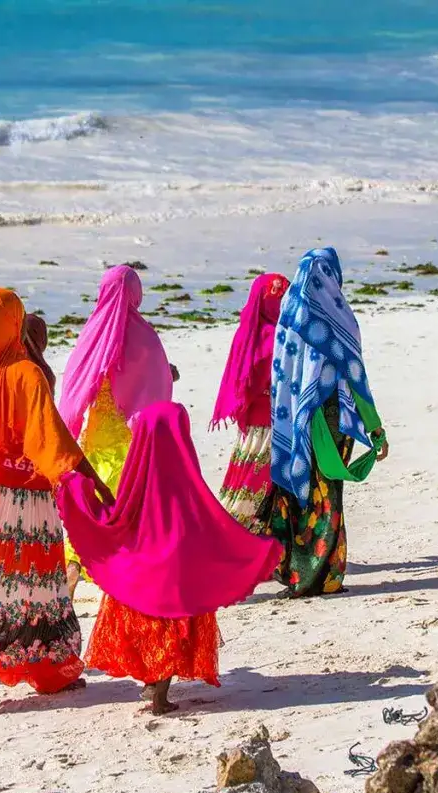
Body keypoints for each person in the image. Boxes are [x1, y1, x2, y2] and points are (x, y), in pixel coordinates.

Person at [0, 288, 114, 718]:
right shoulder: (25, 373)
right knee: (20, 585)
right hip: (25, 502)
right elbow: (50, 437)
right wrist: (91, 478)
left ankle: (51, 672)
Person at [58, 402, 280, 714]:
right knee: (173, 637)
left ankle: (151, 686)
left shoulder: (136, 479)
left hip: (142, 576)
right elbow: (214, 521)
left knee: (149, 634)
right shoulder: (187, 482)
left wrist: (77, 487)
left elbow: (118, 516)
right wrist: (253, 549)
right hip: (176, 576)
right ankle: (159, 696)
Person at [269, 248, 389, 598]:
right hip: (331, 418)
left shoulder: (289, 313)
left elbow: (279, 375)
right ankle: (325, 576)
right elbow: (356, 378)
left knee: (300, 496)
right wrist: (374, 427)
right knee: (328, 495)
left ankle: (298, 575)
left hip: (293, 419)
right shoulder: (340, 318)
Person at [58, 264, 176, 599]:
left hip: (97, 434)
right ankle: (122, 577)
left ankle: (73, 567)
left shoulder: (91, 334)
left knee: (95, 501)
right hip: (132, 437)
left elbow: (76, 384)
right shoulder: (145, 337)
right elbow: (159, 386)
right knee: (129, 504)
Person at [212, 272, 290, 534]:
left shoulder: (247, 331)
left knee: (245, 474)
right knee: (260, 482)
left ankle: (234, 529)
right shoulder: (278, 336)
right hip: (272, 420)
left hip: (251, 420)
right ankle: (245, 536)